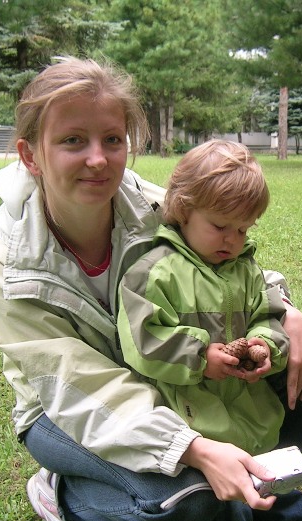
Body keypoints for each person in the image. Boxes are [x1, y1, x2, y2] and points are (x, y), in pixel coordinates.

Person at [0, 57, 302, 521]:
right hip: (61, 408)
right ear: (31, 154)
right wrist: (190, 445)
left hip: (161, 374)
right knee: (186, 502)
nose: (98, 159)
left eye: (113, 139)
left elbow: (225, 266)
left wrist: (287, 311)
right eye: (73, 140)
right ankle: (67, 501)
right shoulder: (11, 263)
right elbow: (78, 384)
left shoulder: (150, 206)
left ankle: (263, 493)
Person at [118, 139, 289, 455]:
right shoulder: (155, 272)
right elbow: (143, 341)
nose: (232, 239)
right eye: (220, 225)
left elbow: (268, 315)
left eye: (243, 230)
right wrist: (198, 357)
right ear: (183, 210)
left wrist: (264, 343)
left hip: (248, 411)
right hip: (186, 417)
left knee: (266, 488)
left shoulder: (246, 270)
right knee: (205, 499)